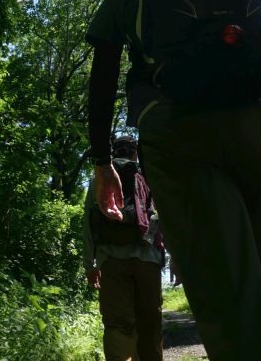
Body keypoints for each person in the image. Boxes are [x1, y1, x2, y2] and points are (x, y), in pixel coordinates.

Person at [86, 0, 261, 361]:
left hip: (174, 129)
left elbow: (104, 68)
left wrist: (103, 161)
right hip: (255, 122)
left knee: (227, 287)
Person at [83, 135, 164, 361]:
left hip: (111, 260)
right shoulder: (149, 178)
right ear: (135, 152)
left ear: (113, 152)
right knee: (150, 324)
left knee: (118, 324)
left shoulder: (99, 179)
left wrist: (89, 265)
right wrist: (175, 259)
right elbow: (165, 220)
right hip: (148, 259)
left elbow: (89, 222)